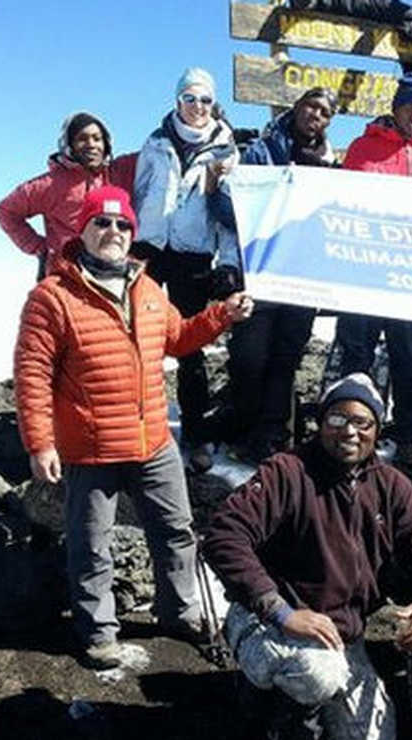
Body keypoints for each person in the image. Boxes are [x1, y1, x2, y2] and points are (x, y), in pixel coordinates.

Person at [13, 185, 254, 670]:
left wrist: (221, 316)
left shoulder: (145, 289)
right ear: (81, 230)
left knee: (176, 532)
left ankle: (178, 611)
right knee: (90, 544)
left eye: (123, 224)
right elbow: (32, 375)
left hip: (153, 441)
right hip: (90, 446)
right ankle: (98, 630)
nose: (114, 232)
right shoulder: (51, 296)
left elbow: (179, 338)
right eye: (102, 223)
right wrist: (41, 443)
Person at [203, 374, 412, 740]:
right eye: (337, 417)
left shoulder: (392, 486)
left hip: (341, 633)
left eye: (363, 421)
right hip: (270, 619)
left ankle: (290, 701)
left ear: (378, 431)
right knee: (316, 672)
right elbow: (224, 535)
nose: (350, 430)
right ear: (320, 422)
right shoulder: (287, 472)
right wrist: (280, 609)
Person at [217, 88, 340, 462]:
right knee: (250, 355)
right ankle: (243, 426)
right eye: (310, 106)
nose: (315, 115)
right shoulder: (261, 151)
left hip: (302, 275)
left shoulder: (333, 167)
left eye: (324, 112)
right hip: (260, 270)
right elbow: (226, 208)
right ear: (297, 108)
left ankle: (271, 436)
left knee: (286, 357)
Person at [133, 68, 241, 473]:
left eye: (205, 100)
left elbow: (232, 217)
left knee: (190, 347)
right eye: (190, 99)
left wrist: (227, 263)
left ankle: (195, 433)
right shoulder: (156, 142)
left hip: (194, 255)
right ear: (177, 101)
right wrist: (136, 241)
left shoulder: (225, 149)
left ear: (214, 105)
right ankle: (134, 425)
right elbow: (140, 193)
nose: (197, 107)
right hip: (150, 251)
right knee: (135, 337)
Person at [338, 72, 412, 466]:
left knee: (408, 358)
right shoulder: (362, 147)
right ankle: (347, 430)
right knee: (356, 354)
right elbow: (341, 202)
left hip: (407, 276)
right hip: (362, 273)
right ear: (396, 106)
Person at [0, 112, 137, 279]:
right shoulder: (50, 184)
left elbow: (157, 152)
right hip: (67, 275)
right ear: (68, 144)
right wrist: (39, 248)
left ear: (106, 144)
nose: (91, 144)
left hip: (113, 271)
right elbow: (6, 211)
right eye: (82, 139)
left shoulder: (120, 171)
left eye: (97, 138)